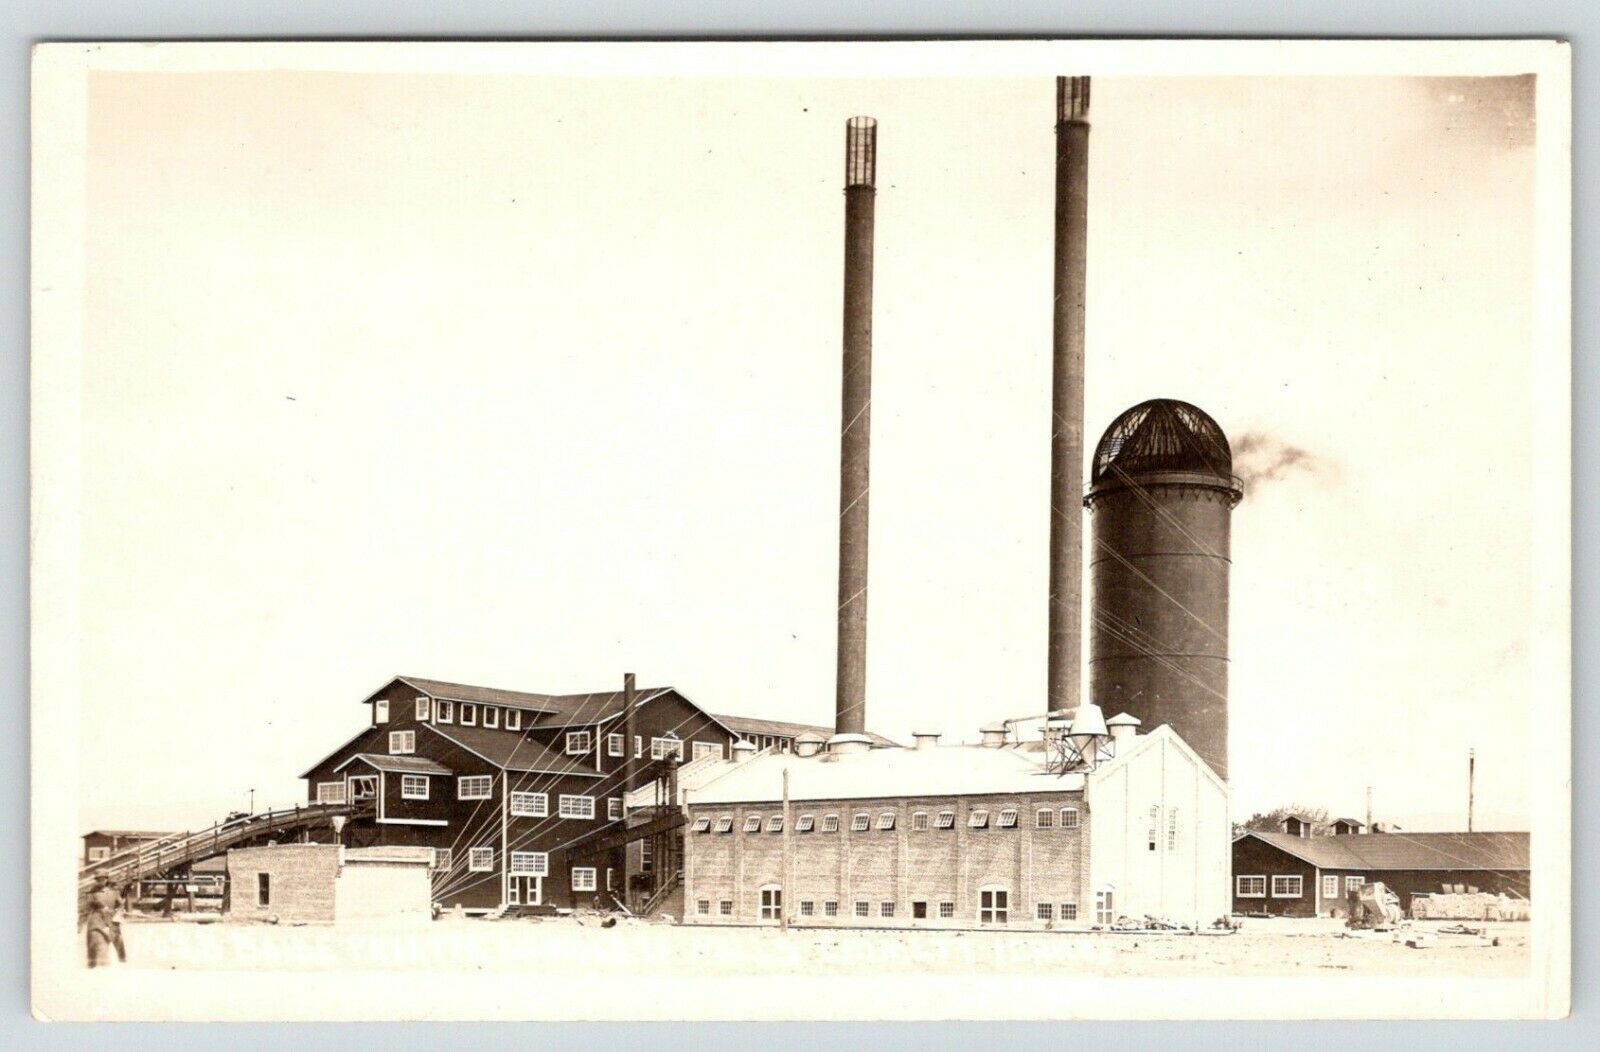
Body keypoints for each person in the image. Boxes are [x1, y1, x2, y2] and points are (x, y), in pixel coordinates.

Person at [84, 875, 126, 967]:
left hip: (112, 919)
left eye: (102, 879)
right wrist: (101, 907)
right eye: (98, 880)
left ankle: (123, 962)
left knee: (118, 941)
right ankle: (94, 964)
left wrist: (119, 911)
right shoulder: (92, 893)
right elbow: (88, 904)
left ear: (106, 879)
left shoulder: (114, 892)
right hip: (97, 919)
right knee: (95, 941)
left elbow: (120, 905)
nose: (100, 881)